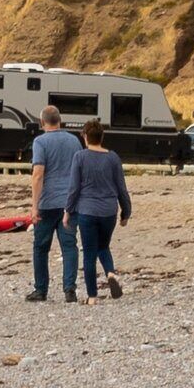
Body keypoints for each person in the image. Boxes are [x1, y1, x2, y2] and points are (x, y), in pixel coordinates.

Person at [24, 106, 83, 303]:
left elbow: (38, 173)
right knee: (69, 245)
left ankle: (41, 289)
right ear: (60, 120)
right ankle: (69, 289)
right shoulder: (74, 140)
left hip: (48, 202)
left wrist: (34, 205)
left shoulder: (40, 142)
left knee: (41, 247)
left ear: (42, 122)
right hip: (69, 201)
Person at [72, 124, 132, 299]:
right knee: (103, 246)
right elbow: (122, 188)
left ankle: (92, 296)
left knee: (89, 253)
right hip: (108, 211)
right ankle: (110, 273)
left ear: (85, 137)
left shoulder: (80, 157)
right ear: (102, 136)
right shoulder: (113, 158)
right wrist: (126, 212)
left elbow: (74, 188)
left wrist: (68, 210)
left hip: (87, 211)